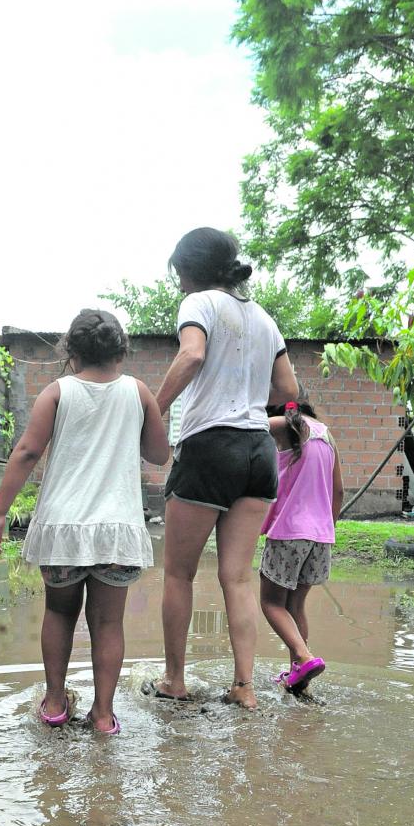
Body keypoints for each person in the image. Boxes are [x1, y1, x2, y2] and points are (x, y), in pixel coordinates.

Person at [0, 309, 169, 735]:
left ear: (71, 352)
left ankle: (54, 703)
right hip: (116, 531)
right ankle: (103, 716)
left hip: (63, 530)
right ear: (122, 350)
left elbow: (27, 452)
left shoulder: (57, 392)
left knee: (59, 612)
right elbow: (161, 455)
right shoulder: (138, 393)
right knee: (108, 623)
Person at [148, 227, 299, 710]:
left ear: (190, 271)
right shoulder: (264, 318)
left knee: (178, 574)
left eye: (178, 275)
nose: (178, 285)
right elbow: (287, 388)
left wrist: (154, 408)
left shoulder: (199, 304)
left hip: (210, 446)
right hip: (258, 450)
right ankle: (245, 687)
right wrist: (244, 385)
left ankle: (175, 680)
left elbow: (191, 354)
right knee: (236, 578)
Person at [259, 399, 343, 691]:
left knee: (271, 602)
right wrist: (325, 528)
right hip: (321, 536)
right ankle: (299, 676)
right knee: (296, 605)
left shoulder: (288, 425)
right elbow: (339, 491)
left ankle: (304, 657)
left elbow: (251, 425)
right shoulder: (327, 434)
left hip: (289, 530)